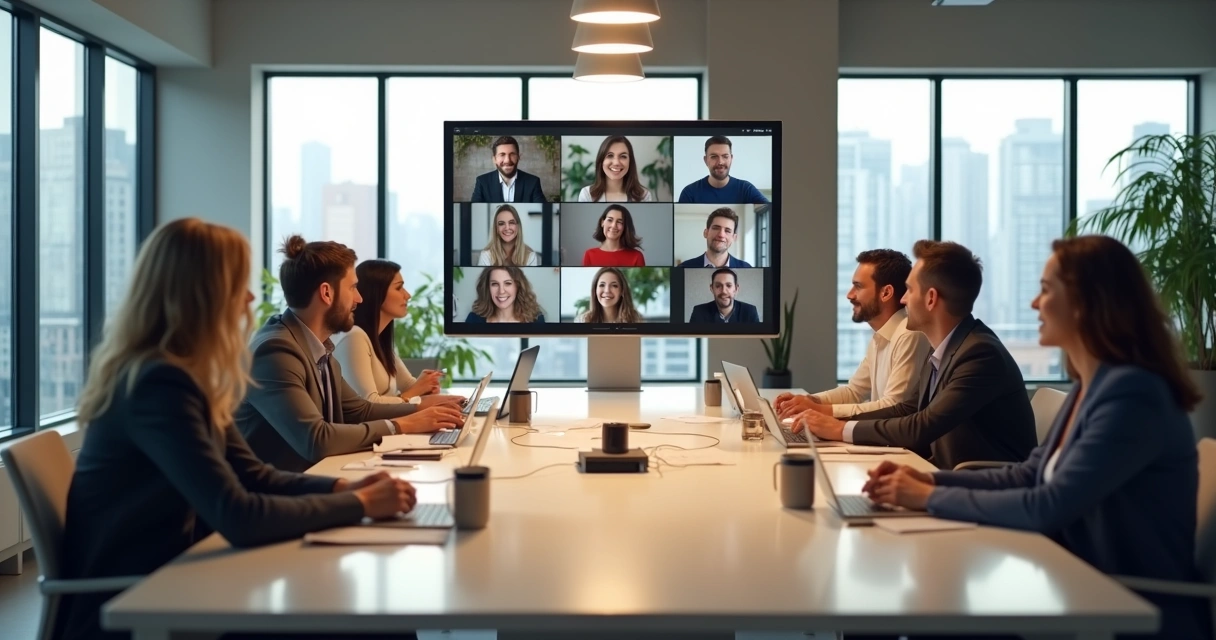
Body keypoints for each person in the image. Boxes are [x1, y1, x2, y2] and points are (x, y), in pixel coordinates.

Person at [59, 219, 418, 640]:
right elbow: (238, 514)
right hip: (145, 603)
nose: (249, 297)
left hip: (186, 575)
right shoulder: (158, 386)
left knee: (376, 619)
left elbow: (254, 475)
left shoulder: (184, 377)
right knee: (374, 624)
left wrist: (340, 490)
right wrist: (358, 504)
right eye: (236, 284)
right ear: (200, 295)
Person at [862, 236, 1210, 640]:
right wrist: (931, 481)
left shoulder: (1134, 396)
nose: (1033, 304)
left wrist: (926, 498)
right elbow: (1029, 474)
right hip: (1072, 578)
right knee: (912, 600)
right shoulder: (1092, 387)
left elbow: (1049, 505)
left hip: (1124, 606)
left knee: (926, 607)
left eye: (1046, 291)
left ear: (1085, 303)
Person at [792, 240, 1036, 471]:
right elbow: (906, 409)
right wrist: (836, 423)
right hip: (946, 473)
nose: (903, 299)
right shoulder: (944, 348)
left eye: (909, 289)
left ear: (930, 299)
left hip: (982, 488)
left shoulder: (979, 354)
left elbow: (922, 426)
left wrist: (840, 429)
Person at [236, 237, 465, 473]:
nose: (360, 298)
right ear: (326, 293)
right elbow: (316, 440)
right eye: (353, 287)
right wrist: (402, 426)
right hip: (271, 497)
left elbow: (359, 410)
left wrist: (422, 409)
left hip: (310, 480)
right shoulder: (275, 352)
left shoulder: (318, 347)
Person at [775, 249, 930, 419]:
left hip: (901, 444)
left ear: (886, 293)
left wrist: (817, 410)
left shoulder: (909, 334)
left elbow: (893, 406)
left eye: (858, 286)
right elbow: (854, 391)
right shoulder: (881, 336)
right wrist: (809, 400)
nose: (850, 295)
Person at [333, 259, 451, 404]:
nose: (407, 295)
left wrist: (426, 387)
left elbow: (408, 385)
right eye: (399, 288)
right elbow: (368, 404)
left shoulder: (379, 340)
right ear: (376, 292)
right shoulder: (354, 337)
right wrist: (415, 392)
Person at [677, 135, 770, 204]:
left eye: (725, 156)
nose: (720, 162)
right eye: (714, 157)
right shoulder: (689, 193)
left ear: (731, 158)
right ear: (705, 160)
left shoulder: (746, 189)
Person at [577, 135, 656, 203]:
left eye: (623, 156)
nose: (616, 163)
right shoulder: (587, 194)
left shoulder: (644, 196)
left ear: (630, 162)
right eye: (610, 155)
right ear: (601, 161)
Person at [470, 135, 547, 203]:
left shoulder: (533, 182)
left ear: (518, 157)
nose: (507, 160)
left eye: (512, 154)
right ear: (494, 159)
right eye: (502, 155)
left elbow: (543, 210)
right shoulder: (482, 182)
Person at [463, 265, 547, 323]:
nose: (501, 291)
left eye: (508, 283)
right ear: (488, 288)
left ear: (517, 286)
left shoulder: (536, 319)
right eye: (495, 284)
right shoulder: (473, 319)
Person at [678, 207, 752, 268]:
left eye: (727, 231)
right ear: (706, 233)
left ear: (734, 238)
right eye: (716, 228)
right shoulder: (684, 267)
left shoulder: (747, 268)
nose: (721, 235)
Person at [688, 268, 760, 323]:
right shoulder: (699, 311)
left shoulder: (750, 311)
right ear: (712, 288)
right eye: (718, 286)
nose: (723, 291)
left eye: (728, 286)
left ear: (736, 289)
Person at [576, 267, 644, 323]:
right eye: (602, 285)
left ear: (622, 291)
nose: (607, 290)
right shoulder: (583, 321)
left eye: (614, 286)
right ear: (595, 290)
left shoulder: (635, 320)